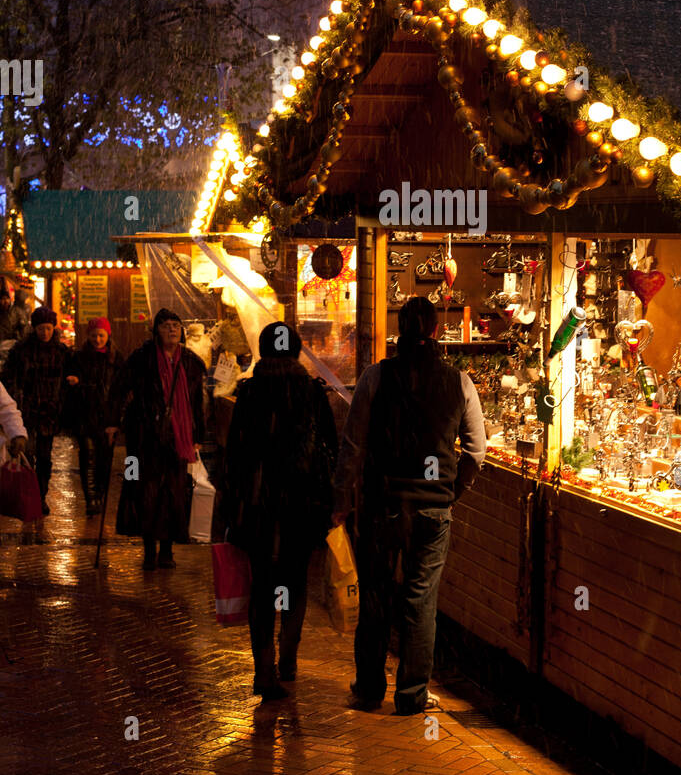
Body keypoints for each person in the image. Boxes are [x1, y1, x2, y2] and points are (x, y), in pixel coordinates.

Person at [333, 296, 486, 716]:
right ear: (437, 331)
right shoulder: (460, 382)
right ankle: (412, 694)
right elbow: (476, 452)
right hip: (433, 510)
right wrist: (450, 492)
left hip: (383, 505)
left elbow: (353, 446)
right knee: (421, 600)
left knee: (377, 597)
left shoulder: (375, 378)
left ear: (400, 329)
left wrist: (342, 498)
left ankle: (367, 690)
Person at [223, 322, 337, 702]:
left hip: (257, 504)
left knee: (264, 586)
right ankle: (288, 658)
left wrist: (231, 505)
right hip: (301, 505)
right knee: (293, 582)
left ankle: (264, 669)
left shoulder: (251, 392)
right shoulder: (310, 391)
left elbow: (234, 453)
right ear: (296, 350)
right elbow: (331, 450)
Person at [106, 308, 206, 570]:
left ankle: (167, 549)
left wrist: (198, 436)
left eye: (176, 325)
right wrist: (112, 423)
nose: (172, 329)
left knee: (173, 493)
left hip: (178, 438)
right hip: (144, 436)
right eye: (165, 325)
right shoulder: (141, 359)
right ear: (156, 330)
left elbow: (197, 403)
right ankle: (149, 548)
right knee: (145, 491)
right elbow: (118, 389)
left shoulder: (191, 363)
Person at [3, 306, 70, 515]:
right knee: (29, 455)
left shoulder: (61, 352)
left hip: (49, 412)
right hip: (27, 411)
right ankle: (31, 494)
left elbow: (70, 376)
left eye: (49, 329)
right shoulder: (21, 351)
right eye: (41, 329)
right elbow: (9, 378)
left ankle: (41, 494)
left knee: (44, 457)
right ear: (35, 329)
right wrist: (19, 396)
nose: (45, 333)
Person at [66, 317, 125, 517]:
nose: (97, 339)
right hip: (85, 416)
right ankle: (91, 498)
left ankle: (100, 493)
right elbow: (70, 386)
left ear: (108, 336)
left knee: (104, 459)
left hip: (108, 418)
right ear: (88, 336)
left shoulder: (116, 359)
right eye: (94, 335)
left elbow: (121, 393)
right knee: (88, 456)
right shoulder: (80, 357)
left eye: (101, 335)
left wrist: (116, 421)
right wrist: (75, 383)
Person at [0, 278, 29, 372]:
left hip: (14, 344)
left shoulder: (16, 311)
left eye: (6, 299)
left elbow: (23, 327)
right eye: (2, 299)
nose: (5, 301)